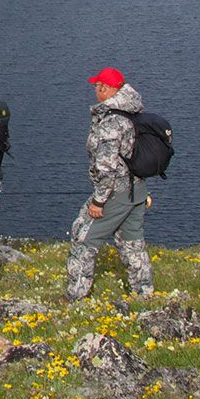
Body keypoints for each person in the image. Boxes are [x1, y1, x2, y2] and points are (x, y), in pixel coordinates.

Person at [66, 66, 154, 299]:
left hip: (116, 192)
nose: (95, 90)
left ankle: (76, 294)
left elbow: (107, 166)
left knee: (83, 237)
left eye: (97, 86)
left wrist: (99, 201)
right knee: (131, 241)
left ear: (105, 89)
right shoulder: (132, 111)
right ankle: (143, 292)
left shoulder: (111, 121)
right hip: (137, 189)